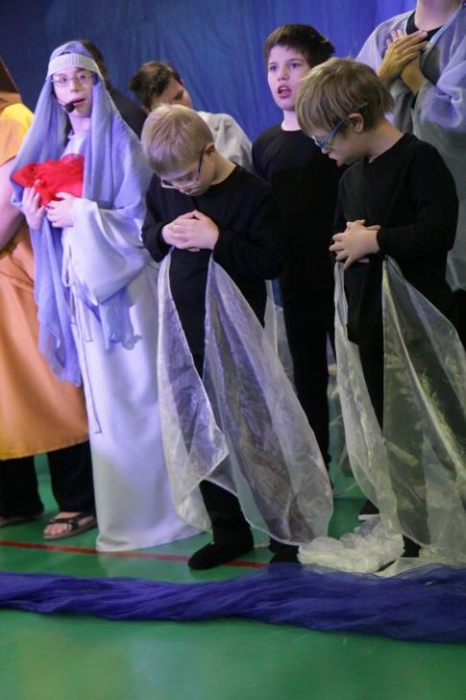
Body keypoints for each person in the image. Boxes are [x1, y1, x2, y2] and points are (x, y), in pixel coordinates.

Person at [11, 41, 198, 552]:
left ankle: (165, 513)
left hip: (127, 290)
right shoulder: (62, 145)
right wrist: (39, 219)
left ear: (97, 81)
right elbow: (50, 221)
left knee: (140, 394)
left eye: (81, 78)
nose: (72, 89)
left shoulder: (122, 140)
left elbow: (140, 224)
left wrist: (81, 214)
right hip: (83, 289)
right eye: (61, 81)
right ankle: (125, 513)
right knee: (106, 406)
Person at [140, 104, 333, 569]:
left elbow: (270, 262)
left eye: (188, 178)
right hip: (183, 333)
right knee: (197, 427)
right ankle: (228, 529)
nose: (181, 189)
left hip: (237, 334)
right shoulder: (166, 186)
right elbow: (150, 236)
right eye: (171, 183)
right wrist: (164, 232)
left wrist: (217, 239)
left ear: (209, 152)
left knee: (255, 431)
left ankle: (287, 531)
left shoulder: (252, 193)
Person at [296, 57, 466, 567]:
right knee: (399, 442)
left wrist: (376, 240)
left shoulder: (420, 160)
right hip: (372, 330)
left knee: (450, 431)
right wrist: (349, 244)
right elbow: (341, 240)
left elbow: (437, 233)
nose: (325, 153)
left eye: (326, 141)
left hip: (421, 330)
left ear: (354, 121)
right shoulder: (351, 177)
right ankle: (415, 540)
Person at [0, 57, 96, 540]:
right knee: (6, 396)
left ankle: (79, 498)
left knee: (50, 382)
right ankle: (15, 498)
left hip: (21, 272)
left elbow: (8, 207)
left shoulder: (13, 120)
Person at [252, 24, 341, 474]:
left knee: (359, 374)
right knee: (307, 377)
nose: (281, 76)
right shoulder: (265, 145)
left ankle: (375, 474)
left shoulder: (335, 137)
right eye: (273, 68)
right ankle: (317, 470)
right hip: (296, 283)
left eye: (293, 65)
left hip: (343, 277)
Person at [357, 0, 466, 344]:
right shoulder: (383, 38)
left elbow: (459, 128)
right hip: (394, 212)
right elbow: (348, 122)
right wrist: (382, 78)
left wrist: (417, 81)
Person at [129, 60, 253, 170]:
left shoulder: (222, 127)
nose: (180, 109)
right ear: (149, 111)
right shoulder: (152, 156)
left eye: (179, 96)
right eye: (167, 108)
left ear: (183, 85)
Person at [76, 39, 147, 137]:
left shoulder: (127, 117)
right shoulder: (74, 118)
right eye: (63, 79)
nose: (72, 86)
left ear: (99, 70)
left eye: (81, 76)